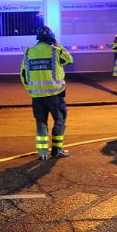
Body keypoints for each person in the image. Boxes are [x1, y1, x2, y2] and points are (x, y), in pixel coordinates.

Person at [20, 26, 74, 160]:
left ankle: (42, 153)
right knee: (59, 120)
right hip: (54, 95)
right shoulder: (56, 51)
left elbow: (23, 74)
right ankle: (57, 150)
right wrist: (58, 44)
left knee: (41, 122)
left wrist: (30, 89)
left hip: (37, 96)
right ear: (51, 38)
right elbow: (69, 60)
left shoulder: (28, 52)